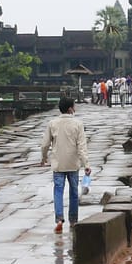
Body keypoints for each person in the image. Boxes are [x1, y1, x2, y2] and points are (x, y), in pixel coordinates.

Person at [40, 97, 86, 233]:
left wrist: (44, 158)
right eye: (74, 105)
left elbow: (45, 144)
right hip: (73, 163)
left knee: (58, 191)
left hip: (58, 163)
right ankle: (73, 220)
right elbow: (82, 146)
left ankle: (59, 219)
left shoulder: (52, 123)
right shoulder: (78, 124)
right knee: (73, 192)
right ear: (70, 108)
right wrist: (86, 164)